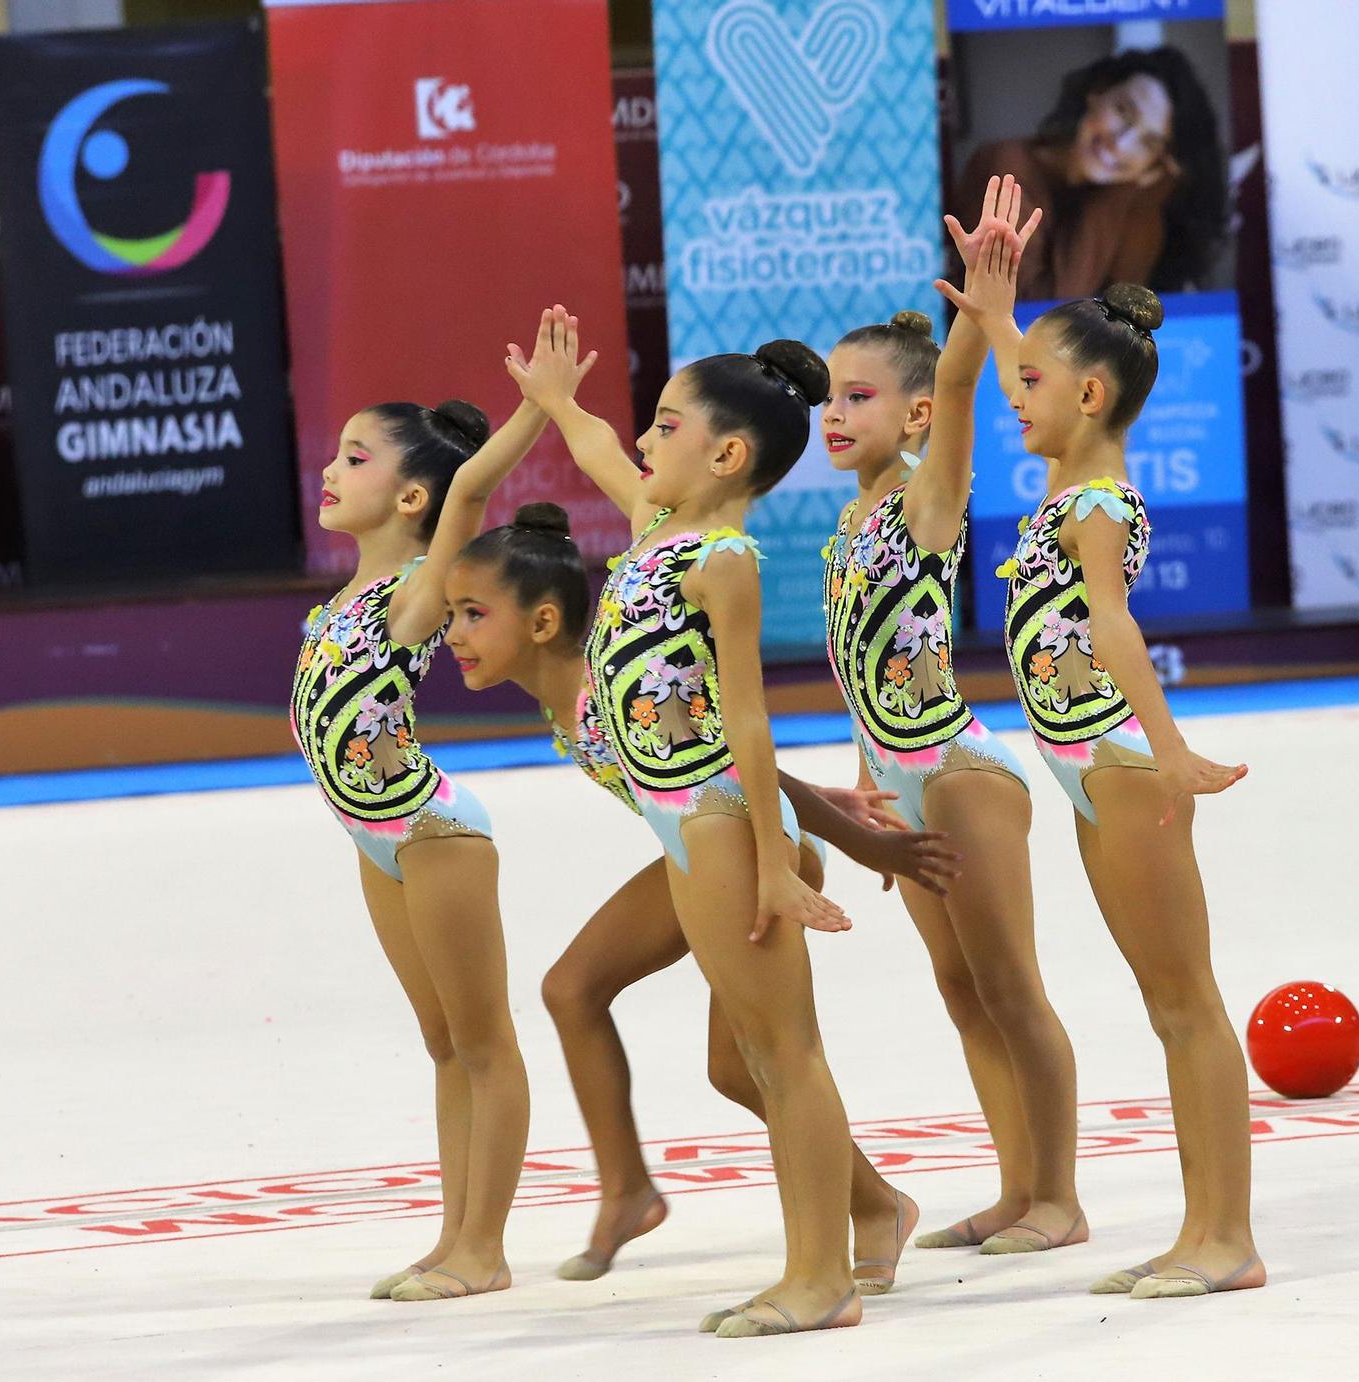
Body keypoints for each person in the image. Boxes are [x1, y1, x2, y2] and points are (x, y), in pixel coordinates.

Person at [441, 503, 961, 1300]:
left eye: (473, 615)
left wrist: (852, 841)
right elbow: (710, 751)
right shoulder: (565, 693)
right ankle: (633, 1190)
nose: (453, 635)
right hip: (712, 842)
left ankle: (865, 1217)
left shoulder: (603, 679)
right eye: (450, 616)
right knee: (597, 1002)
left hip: (756, 853)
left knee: (759, 1060)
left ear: (544, 621)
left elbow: (732, 749)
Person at [521, 309, 869, 1337]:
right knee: (754, 1055)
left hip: (717, 819)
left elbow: (749, 720)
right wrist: (557, 405)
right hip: (682, 825)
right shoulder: (654, 531)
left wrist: (772, 860)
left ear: (724, 453)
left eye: (662, 426)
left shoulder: (721, 558)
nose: (639, 441)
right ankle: (836, 1249)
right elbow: (595, 450)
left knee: (782, 1050)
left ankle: (823, 1276)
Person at [949, 253, 1264, 1300]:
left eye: (1031, 383)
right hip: (1083, 767)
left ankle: (1225, 1237)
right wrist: (998, 318)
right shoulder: (1062, 471)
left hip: (1122, 763)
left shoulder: (1098, 502)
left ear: (1088, 396)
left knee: (1183, 1004)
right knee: (1160, 1001)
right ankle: (1198, 1230)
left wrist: (1168, 748)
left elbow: (1114, 623)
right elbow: (1025, 380)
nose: (1011, 396)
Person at [290, 308, 583, 1302]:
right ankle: (452, 1231)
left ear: (408, 494)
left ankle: (484, 1248)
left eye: (355, 455)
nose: (331, 468)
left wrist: (537, 409)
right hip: (372, 839)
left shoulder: (413, 593)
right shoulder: (337, 601)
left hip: (431, 831)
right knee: (441, 1039)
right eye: (334, 453)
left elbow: (472, 489)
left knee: (482, 1035)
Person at [819, 178, 1086, 1256]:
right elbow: (856, 673)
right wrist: (870, 795)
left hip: (965, 773)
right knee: (959, 987)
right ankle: (1015, 1186)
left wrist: (984, 309)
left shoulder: (927, 499)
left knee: (1011, 986)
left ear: (917, 416)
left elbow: (967, 396)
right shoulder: (851, 516)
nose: (833, 415)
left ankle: (1060, 1198)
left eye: (857, 398)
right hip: (903, 778)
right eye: (827, 399)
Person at [951, 47, 1225, 300]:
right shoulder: (1009, 167)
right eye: (1123, 111)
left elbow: (1127, 321)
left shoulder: (1138, 204)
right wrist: (1121, 189)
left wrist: (1130, 192)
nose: (1121, 143)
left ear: (1155, 165)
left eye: (1148, 142)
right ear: (1097, 93)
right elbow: (1040, 317)